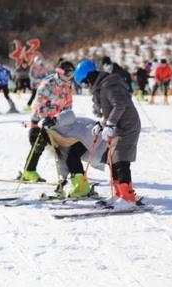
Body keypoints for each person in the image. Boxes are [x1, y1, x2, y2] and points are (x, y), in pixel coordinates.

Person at [74, 59, 142, 208]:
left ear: (90, 76)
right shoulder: (103, 86)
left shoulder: (109, 85)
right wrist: (102, 124)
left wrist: (110, 124)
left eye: (86, 82)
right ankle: (119, 194)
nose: (87, 86)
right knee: (112, 158)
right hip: (119, 126)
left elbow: (120, 106)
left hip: (127, 126)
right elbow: (110, 111)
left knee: (120, 159)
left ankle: (127, 198)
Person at [19, 61, 75, 182]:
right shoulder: (48, 84)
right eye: (68, 74)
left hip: (57, 121)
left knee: (67, 145)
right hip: (40, 120)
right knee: (39, 143)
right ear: (60, 72)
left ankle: (72, 171)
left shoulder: (68, 86)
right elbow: (39, 105)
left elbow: (68, 105)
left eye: (72, 74)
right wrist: (46, 118)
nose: (70, 77)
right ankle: (29, 171)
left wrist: (65, 119)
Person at [46, 109, 108, 198]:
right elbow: (62, 160)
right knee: (71, 159)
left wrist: (55, 120)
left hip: (89, 131)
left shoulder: (52, 127)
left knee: (73, 157)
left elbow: (70, 115)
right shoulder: (56, 142)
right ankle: (81, 188)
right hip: (82, 138)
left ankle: (82, 189)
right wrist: (62, 179)